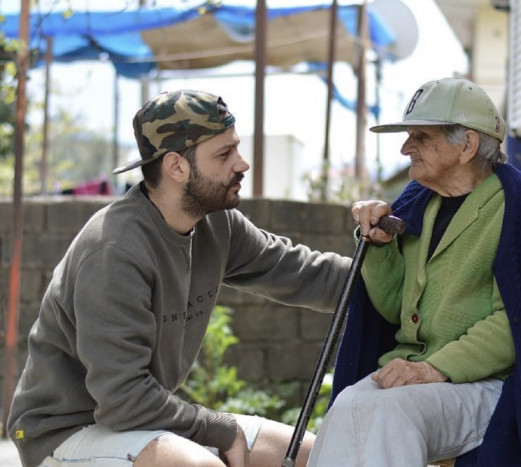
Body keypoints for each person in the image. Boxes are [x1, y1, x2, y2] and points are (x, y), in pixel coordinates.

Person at [8, 90, 351, 467]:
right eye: (224, 154)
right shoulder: (114, 250)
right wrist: (218, 429)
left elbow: (301, 271)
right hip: (65, 431)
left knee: (315, 456)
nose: (242, 164)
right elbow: (123, 399)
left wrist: (400, 273)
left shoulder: (216, 223)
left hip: (141, 422)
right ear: (176, 167)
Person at [307, 78, 521, 466]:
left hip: (489, 386)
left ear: (467, 145)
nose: (405, 148)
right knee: (347, 406)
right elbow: (391, 310)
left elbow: (517, 322)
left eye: (421, 136)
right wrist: (379, 249)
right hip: (415, 381)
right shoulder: (418, 202)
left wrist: (433, 368)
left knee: (391, 413)